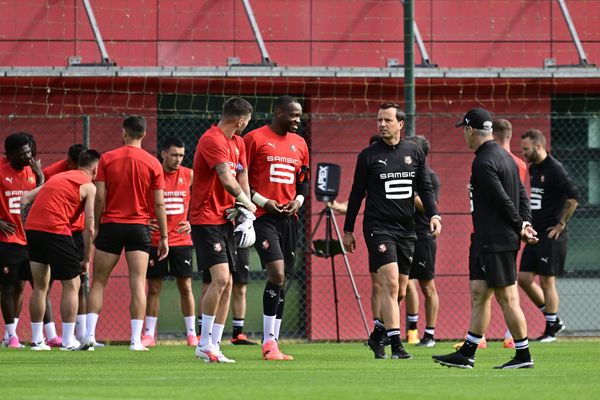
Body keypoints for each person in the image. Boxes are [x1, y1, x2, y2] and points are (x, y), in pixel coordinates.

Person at [432, 107, 537, 370]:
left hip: (497, 239)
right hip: (485, 239)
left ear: (470, 131)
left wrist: (520, 225)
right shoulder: (505, 157)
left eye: (464, 131)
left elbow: (502, 198)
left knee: (507, 298)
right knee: (480, 294)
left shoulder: (483, 161)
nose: (464, 137)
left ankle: (523, 356)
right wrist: (524, 222)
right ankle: (467, 353)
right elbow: (522, 196)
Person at [343, 103, 441, 360]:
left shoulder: (415, 151)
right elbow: (356, 194)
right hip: (378, 228)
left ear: (400, 124)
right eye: (379, 120)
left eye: (387, 120)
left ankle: (377, 335)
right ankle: (397, 346)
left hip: (407, 230)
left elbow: (426, 187)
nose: (382, 125)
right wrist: (348, 229)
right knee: (390, 282)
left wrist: (434, 215)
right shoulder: (368, 156)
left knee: (399, 291)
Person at [80, 115, 169, 351]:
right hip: (139, 228)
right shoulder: (153, 163)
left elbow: (99, 196)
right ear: (145, 134)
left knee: (98, 281)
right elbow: (159, 205)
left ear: (123, 132)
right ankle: (135, 341)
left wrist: (97, 225)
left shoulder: (108, 159)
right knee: (138, 282)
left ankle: (89, 335)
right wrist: (165, 236)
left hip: (111, 225)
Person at [243, 95, 310, 361]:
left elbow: (304, 179)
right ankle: (268, 343)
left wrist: (299, 201)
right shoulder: (254, 139)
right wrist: (262, 202)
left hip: (288, 218)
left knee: (282, 280)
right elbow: (241, 178)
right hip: (262, 216)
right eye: (293, 115)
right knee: (277, 274)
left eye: (300, 116)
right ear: (278, 113)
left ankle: (274, 342)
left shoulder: (300, 144)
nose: (297, 120)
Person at [191, 96, 256, 363]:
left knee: (228, 282)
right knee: (219, 279)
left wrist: (246, 215)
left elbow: (242, 177)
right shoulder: (212, 139)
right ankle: (203, 342)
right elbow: (227, 180)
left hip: (227, 218)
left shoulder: (238, 142)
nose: (246, 126)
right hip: (206, 219)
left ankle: (214, 344)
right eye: (247, 122)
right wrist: (250, 206)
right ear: (241, 120)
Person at [22, 149, 100, 350]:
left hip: (33, 229)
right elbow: (89, 226)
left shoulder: (59, 177)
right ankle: (68, 340)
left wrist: (25, 223)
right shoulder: (89, 186)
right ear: (95, 168)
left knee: (40, 287)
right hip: (55, 229)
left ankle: (38, 341)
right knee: (72, 284)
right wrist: (87, 259)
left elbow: (26, 198)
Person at [518, 128, 579, 342]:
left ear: (538, 146)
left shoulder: (555, 169)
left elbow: (573, 197)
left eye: (526, 149)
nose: (523, 153)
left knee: (547, 281)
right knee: (523, 278)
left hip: (552, 235)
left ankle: (551, 330)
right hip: (536, 233)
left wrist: (561, 224)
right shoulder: (534, 169)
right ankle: (554, 319)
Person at [141, 136, 198, 348]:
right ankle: (149, 335)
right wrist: (144, 220)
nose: (178, 159)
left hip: (181, 239)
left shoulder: (189, 175)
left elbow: (203, 196)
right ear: (163, 153)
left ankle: (192, 334)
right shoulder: (152, 174)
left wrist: (193, 221)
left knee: (185, 286)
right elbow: (138, 198)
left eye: (181, 155)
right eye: (174, 155)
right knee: (154, 287)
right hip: (155, 239)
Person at [0, 133, 43, 348]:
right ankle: (11, 334)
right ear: (10, 154)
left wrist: (40, 176)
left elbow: (41, 196)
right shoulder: (0, 169)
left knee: (21, 286)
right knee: (7, 287)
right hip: (7, 238)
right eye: (23, 152)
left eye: (29, 150)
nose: (29, 155)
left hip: (28, 238)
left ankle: (10, 336)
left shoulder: (32, 171)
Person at [42, 143, 87, 346]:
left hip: (76, 233)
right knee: (46, 283)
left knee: (79, 284)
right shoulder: (52, 173)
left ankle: (83, 334)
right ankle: (49, 335)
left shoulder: (88, 177)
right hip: (55, 232)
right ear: (69, 161)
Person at [492, 118, 528, 349]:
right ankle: (504, 336)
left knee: (500, 289)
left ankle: (509, 336)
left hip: (497, 233)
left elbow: (506, 199)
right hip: (512, 231)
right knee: (500, 286)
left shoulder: (493, 160)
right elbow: (519, 197)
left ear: (493, 134)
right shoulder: (520, 163)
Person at [403, 135, 440, 348]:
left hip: (423, 235)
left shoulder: (430, 178)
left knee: (427, 286)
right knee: (403, 282)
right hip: (403, 234)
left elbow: (429, 207)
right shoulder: (404, 173)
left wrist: (412, 194)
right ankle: (410, 330)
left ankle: (430, 334)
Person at [198, 247, 258, 345]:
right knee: (210, 285)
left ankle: (237, 333)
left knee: (239, 287)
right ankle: (203, 333)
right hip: (217, 240)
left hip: (239, 241)